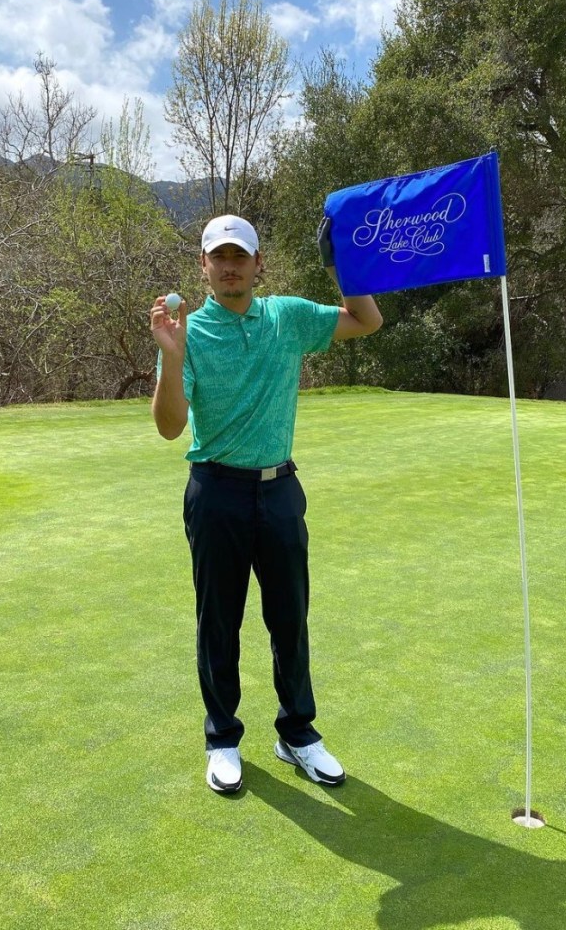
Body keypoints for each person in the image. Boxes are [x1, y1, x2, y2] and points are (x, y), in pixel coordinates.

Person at [150, 214, 382, 794]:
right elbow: (170, 428)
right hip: (216, 490)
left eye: (239, 256)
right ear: (203, 266)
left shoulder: (287, 316)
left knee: (289, 616)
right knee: (219, 621)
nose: (229, 266)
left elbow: (366, 320)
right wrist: (171, 357)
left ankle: (297, 734)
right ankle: (222, 738)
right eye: (218, 257)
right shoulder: (187, 332)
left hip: (280, 489)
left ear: (259, 264)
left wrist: (342, 264)